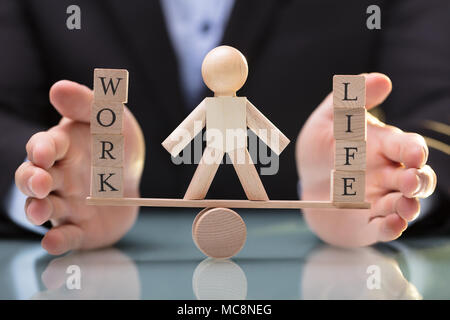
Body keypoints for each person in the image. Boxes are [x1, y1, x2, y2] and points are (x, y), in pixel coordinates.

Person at [2, 0, 448, 255]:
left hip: (264, 171)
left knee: (244, 173)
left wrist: (389, 182)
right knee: (208, 170)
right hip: (197, 158)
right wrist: (44, 175)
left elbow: (438, 105)